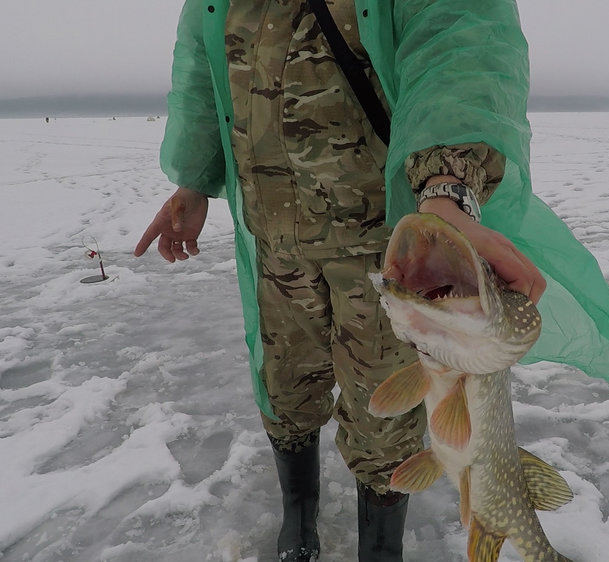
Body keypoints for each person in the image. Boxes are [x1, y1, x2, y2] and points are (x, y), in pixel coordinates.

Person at [134, 1, 544, 560]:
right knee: (285, 385)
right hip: (275, 237)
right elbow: (203, 69)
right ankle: (298, 509)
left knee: (384, 414)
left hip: (387, 255)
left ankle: (380, 547)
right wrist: (194, 180)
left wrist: (448, 190)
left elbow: (460, 42)